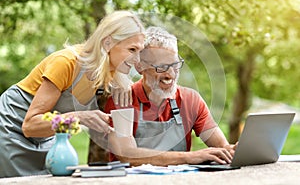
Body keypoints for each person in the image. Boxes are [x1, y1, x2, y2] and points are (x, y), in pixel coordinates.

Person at [0, 10, 145, 177]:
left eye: (140, 51)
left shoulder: (112, 74)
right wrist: (80, 117)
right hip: (13, 125)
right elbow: (30, 126)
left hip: (50, 135)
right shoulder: (66, 63)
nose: (138, 59)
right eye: (132, 49)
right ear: (107, 43)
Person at [105, 26, 236, 166]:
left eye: (174, 64)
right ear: (140, 67)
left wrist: (233, 150)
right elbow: (127, 155)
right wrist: (188, 157)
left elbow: (222, 147)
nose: (170, 73)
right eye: (161, 66)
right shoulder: (122, 99)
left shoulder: (190, 100)